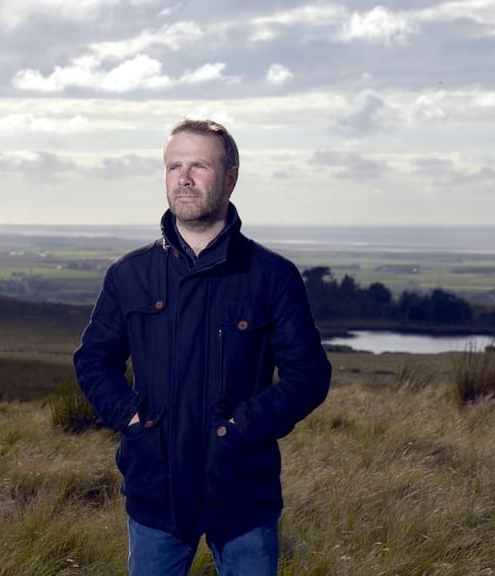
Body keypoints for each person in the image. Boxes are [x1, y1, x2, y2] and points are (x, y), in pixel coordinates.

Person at [73, 118, 331, 575]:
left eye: (199, 166)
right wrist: (134, 421)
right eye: (174, 166)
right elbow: (94, 361)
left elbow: (308, 374)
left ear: (230, 178)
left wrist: (244, 427)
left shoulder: (272, 276)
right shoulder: (129, 275)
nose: (184, 178)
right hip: (155, 491)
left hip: (243, 493)